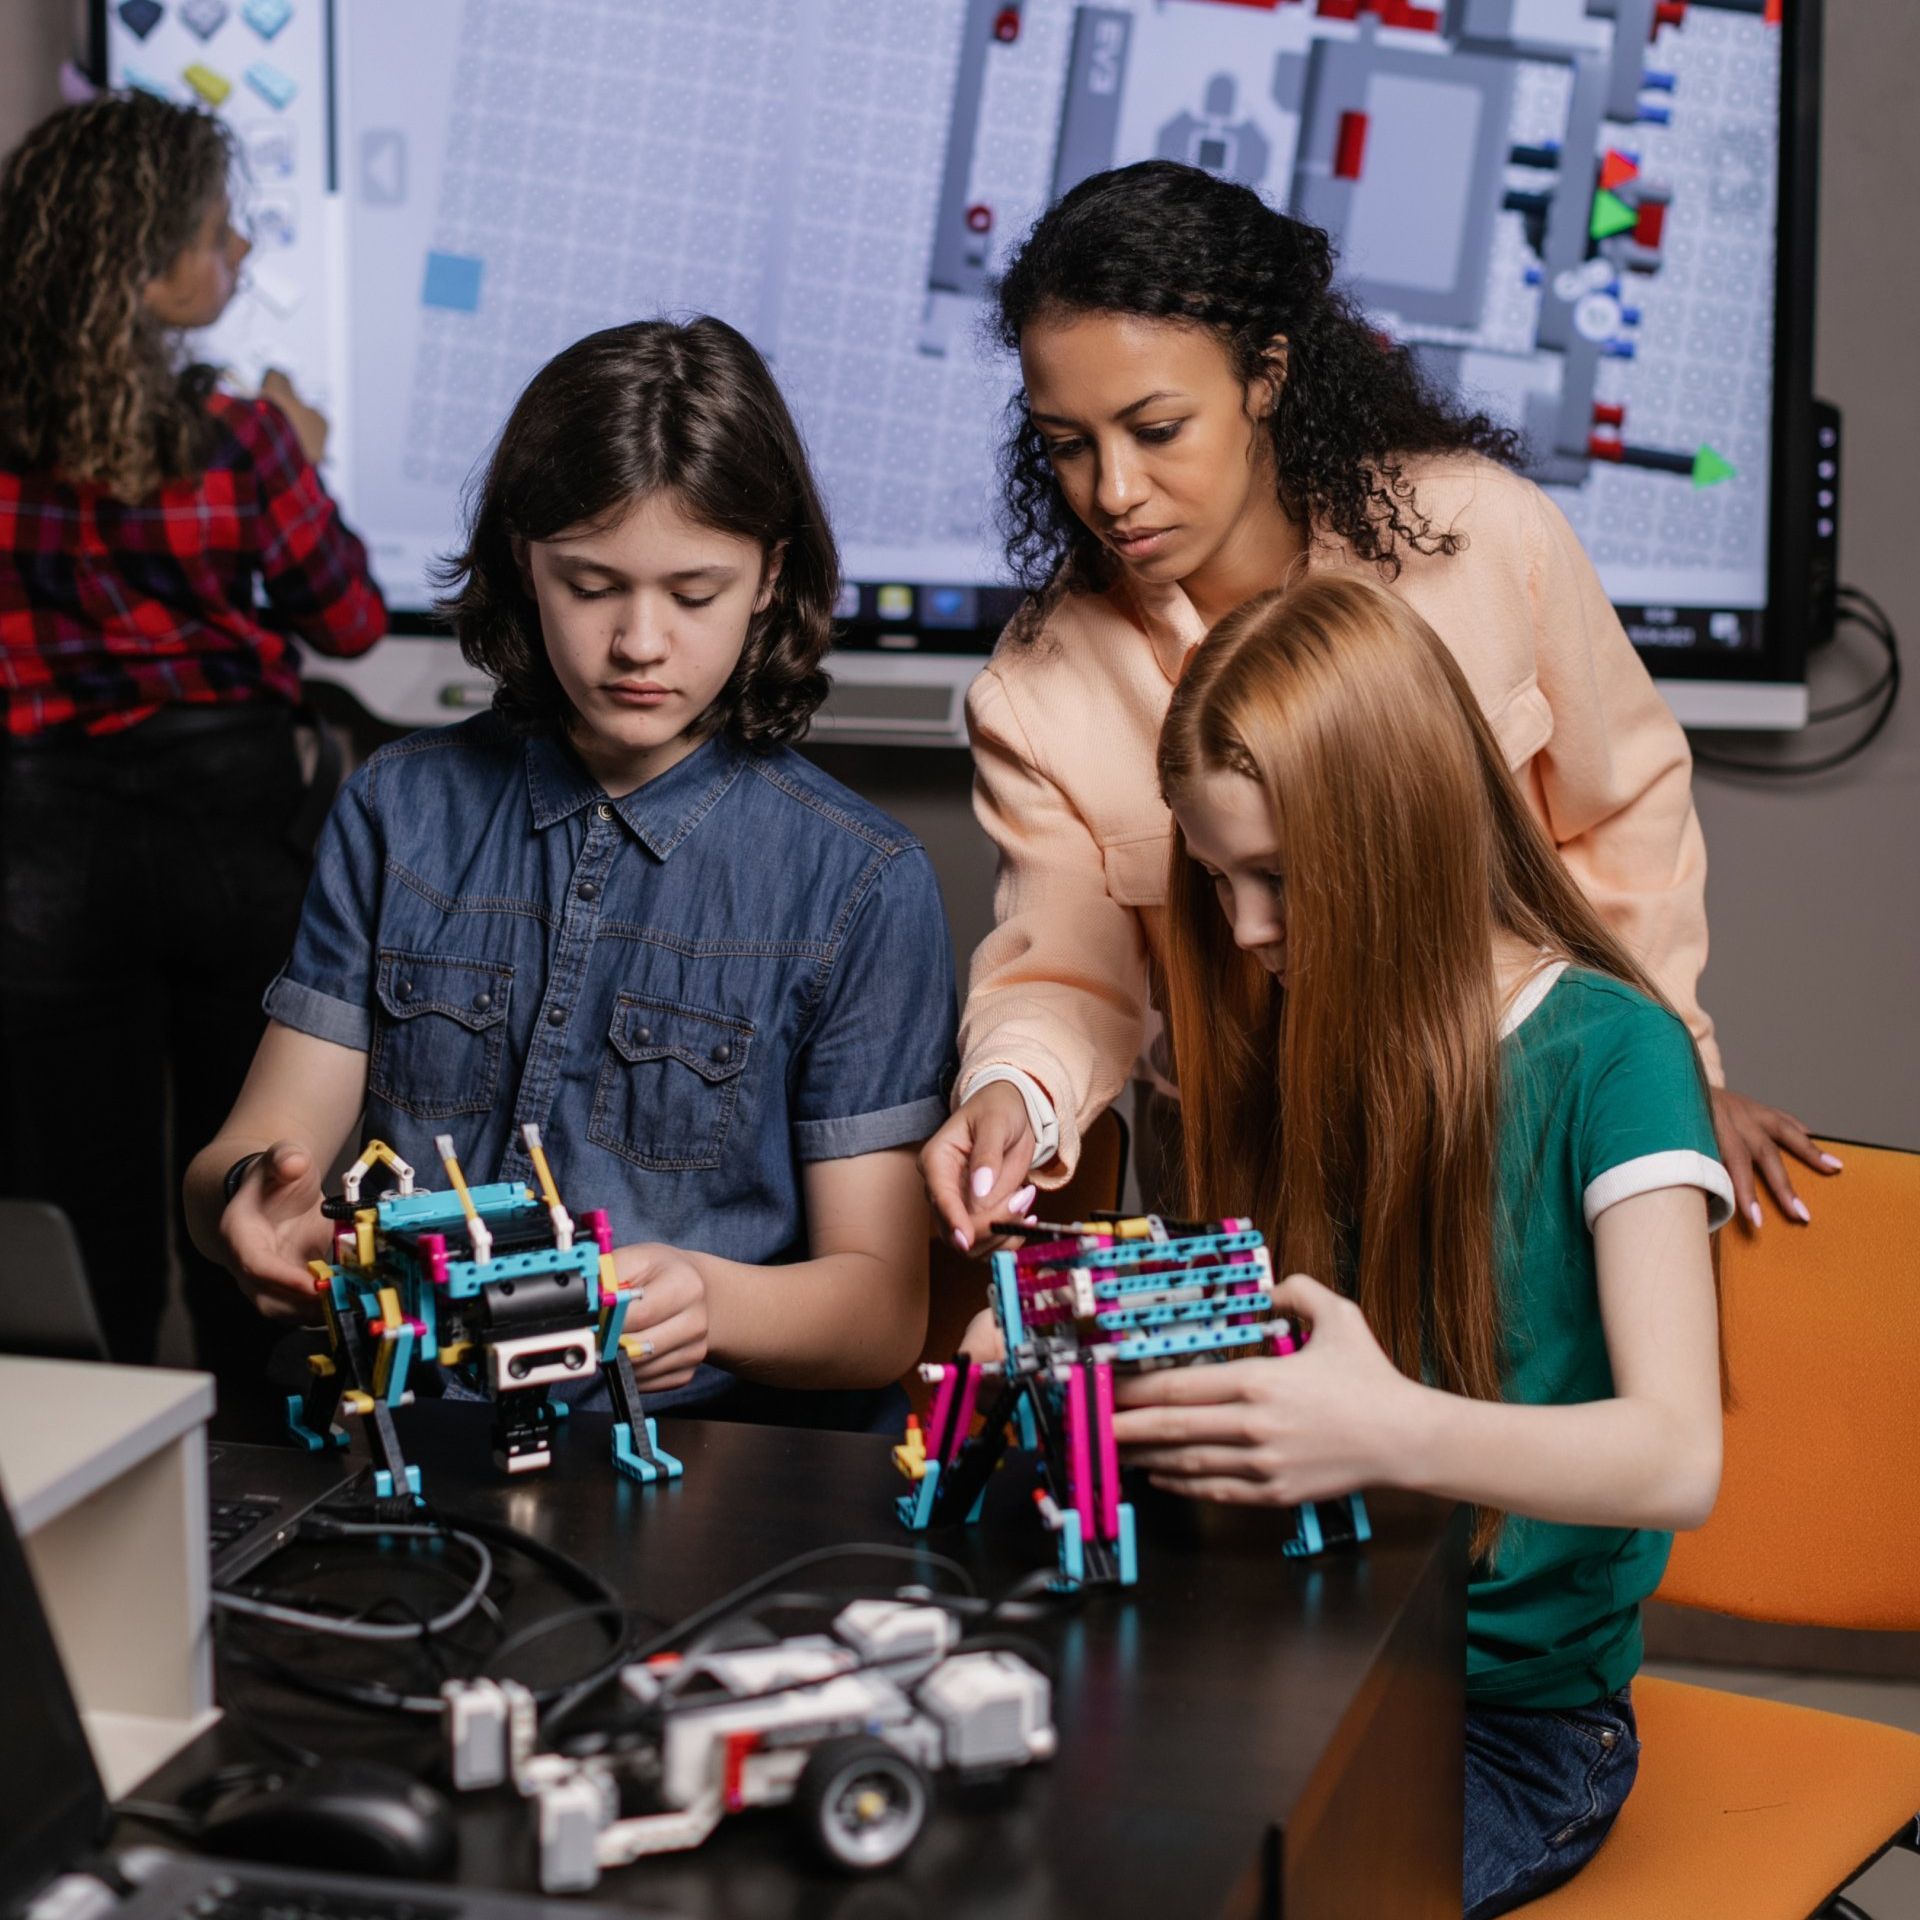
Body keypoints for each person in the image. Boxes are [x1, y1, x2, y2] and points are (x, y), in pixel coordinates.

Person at [920, 160, 1835, 1254]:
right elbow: (1062, 969)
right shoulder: (1035, 693)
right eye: (1068, 444)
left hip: (1518, 1128)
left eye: (1156, 429)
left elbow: (1620, 812)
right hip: (1241, 1176)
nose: (1111, 491)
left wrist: (1675, 1074)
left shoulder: (1487, 537)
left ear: (1265, 376)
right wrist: (1016, 1092)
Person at [185, 317, 955, 1432]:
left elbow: (881, 1315)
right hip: (418, 1424)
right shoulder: (394, 809)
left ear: (769, 577)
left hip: (702, 1452)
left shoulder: (862, 882)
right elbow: (236, 1164)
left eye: (694, 594)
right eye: (592, 585)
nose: (641, 642)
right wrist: (247, 1207)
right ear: (522, 566)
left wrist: (718, 1302)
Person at [1124, 571, 1728, 1916]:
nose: (1249, 932)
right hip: (1273, 1662)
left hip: (1501, 1733)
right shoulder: (1297, 1026)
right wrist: (1079, 1344)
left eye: (1278, 878)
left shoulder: (1613, 1058)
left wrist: (1391, 1430)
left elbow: (1677, 1456)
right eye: (1219, 881)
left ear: (1400, 832)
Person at [0, 93, 384, 1400]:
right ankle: (266, 1467)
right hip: (230, 829)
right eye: (222, 235)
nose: (240, 259)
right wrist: (313, 461)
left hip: (42, 840)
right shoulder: (246, 440)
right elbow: (348, 614)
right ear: (147, 263)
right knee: (257, 1185)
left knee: (75, 1190)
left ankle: (100, 1464)